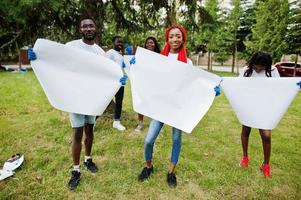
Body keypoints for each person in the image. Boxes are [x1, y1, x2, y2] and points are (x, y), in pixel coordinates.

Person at [28, 17, 126, 190]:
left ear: (96, 28)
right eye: (85, 26)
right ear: (80, 29)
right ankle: (76, 170)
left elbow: (105, 74)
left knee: (90, 130)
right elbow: (56, 60)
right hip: (75, 98)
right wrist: (38, 57)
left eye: (91, 25)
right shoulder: (71, 46)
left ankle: (88, 159)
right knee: (78, 133)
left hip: (91, 99)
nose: (88, 28)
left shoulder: (99, 52)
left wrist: (119, 79)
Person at [138, 25, 192, 187]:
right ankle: (148, 166)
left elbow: (192, 84)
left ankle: (171, 171)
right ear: (167, 39)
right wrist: (135, 64)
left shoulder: (187, 62)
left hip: (176, 107)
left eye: (178, 36)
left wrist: (210, 90)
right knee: (149, 140)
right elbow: (147, 75)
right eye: (171, 37)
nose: (175, 39)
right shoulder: (160, 58)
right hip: (161, 106)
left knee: (176, 140)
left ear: (183, 38)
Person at [239, 51, 280, 178]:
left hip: (265, 107)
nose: (258, 68)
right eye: (256, 65)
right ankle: (245, 157)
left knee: (266, 136)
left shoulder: (273, 71)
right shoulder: (246, 70)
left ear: (266, 65)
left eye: (261, 66)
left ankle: (266, 164)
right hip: (249, 106)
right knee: (246, 131)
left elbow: (279, 87)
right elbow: (238, 86)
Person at [135, 36, 161, 132]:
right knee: (141, 102)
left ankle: (154, 124)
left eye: (152, 42)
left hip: (155, 83)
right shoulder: (141, 55)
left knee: (154, 103)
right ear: (145, 45)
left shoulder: (159, 56)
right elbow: (136, 67)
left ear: (155, 44)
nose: (149, 44)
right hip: (143, 82)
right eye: (148, 43)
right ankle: (140, 124)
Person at [106, 36, 127, 131]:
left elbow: (122, 68)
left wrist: (124, 76)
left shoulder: (121, 55)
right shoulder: (110, 53)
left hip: (120, 83)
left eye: (122, 42)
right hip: (111, 83)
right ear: (113, 42)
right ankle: (92, 122)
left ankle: (116, 122)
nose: (120, 44)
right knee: (104, 102)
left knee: (119, 102)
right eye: (118, 42)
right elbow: (105, 66)